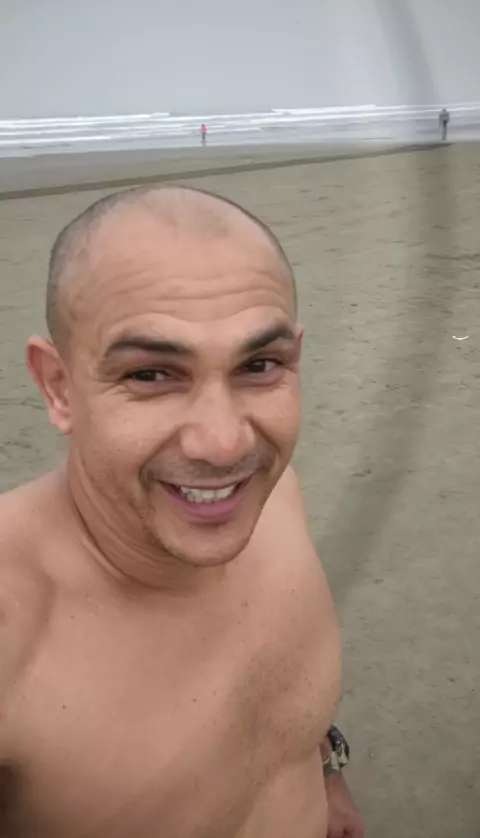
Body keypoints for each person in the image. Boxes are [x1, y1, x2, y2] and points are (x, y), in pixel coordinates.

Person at [0, 185, 364, 838]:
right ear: (59, 388)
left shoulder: (275, 498)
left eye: (259, 364)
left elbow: (281, 693)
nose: (225, 444)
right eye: (150, 375)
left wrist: (327, 770)